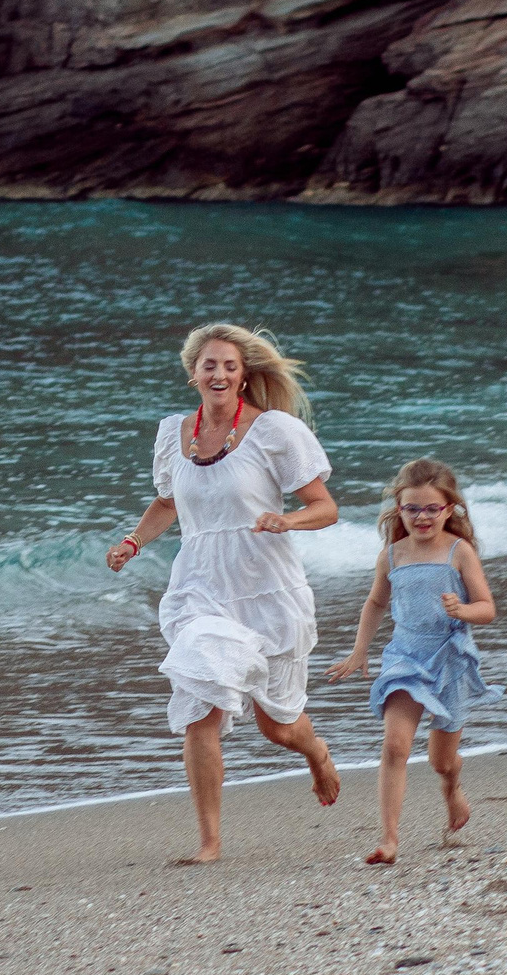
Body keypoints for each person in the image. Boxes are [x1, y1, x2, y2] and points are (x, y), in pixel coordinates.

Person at [107, 324, 343, 862]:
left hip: (267, 588)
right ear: (193, 373)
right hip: (200, 589)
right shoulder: (174, 433)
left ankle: (317, 753)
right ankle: (209, 841)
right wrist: (133, 541)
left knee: (279, 727)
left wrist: (288, 521)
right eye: (209, 365)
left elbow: (325, 507)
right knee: (199, 705)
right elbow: (168, 502)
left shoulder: (273, 431)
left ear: (243, 376)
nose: (218, 374)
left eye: (229, 366)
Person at [326, 458, 503, 865]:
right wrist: (359, 650)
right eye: (412, 509)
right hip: (404, 656)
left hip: (449, 658)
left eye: (431, 509)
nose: (421, 517)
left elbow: (487, 608)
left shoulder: (460, 552)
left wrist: (463, 609)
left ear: (449, 509)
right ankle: (389, 839)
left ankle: (452, 787)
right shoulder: (392, 555)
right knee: (394, 746)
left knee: (442, 761)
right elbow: (375, 602)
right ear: (398, 510)